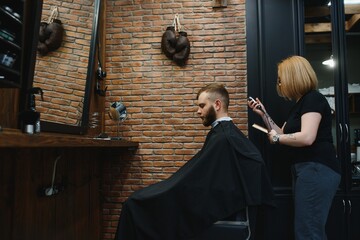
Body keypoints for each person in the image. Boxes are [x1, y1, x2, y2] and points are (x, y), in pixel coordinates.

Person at [115, 83, 274, 240]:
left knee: (133, 206)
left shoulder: (224, 137)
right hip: (200, 197)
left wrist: (162, 192)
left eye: (202, 105)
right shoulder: (224, 135)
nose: (198, 111)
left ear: (217, 104)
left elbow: (198, 178)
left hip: (204, 203)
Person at [248, 55, 341, 240]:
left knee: (308, 231)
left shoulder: (313, 99)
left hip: (316, 168)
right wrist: (264, 114)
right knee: (307, 229)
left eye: (281, 78)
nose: (279, 83)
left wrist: (276, 139)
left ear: (293, 77)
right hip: (305, 169)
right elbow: (281, 133)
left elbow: (306, 137)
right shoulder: (299, 105)